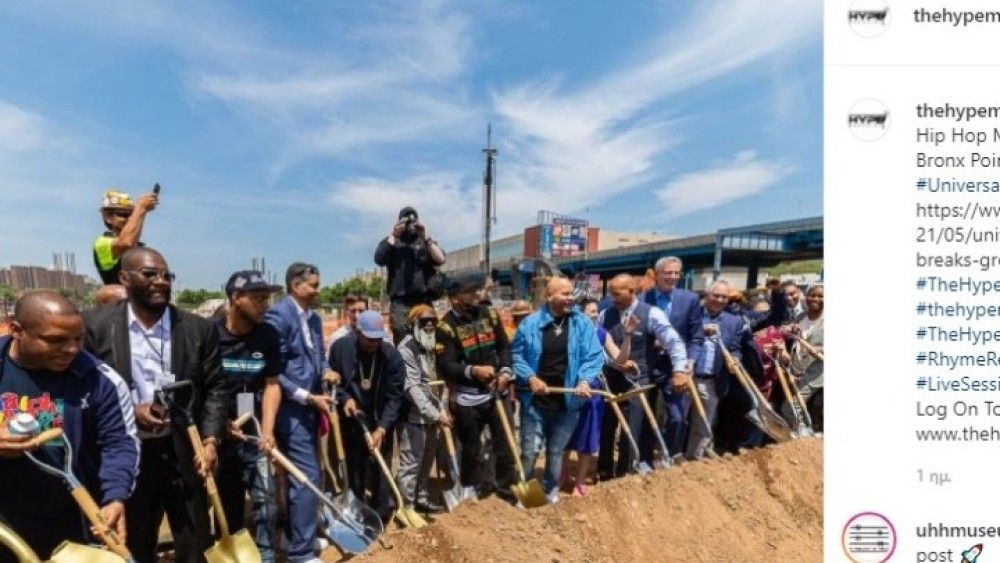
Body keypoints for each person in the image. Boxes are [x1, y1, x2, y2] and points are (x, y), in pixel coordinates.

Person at [83, 247, 226, 563]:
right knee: (136, 537)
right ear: (124, 278)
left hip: (186, 451)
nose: (161, 281)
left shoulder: (198, 329)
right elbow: (86, 390)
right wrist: (131, 411)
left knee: (196, 539)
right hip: (129, 455)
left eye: (166, 275)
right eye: (150, 274)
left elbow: (216, 388)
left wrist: (211, 440)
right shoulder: (95, 327)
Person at [0, 291, 138, 562]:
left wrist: (115, 496)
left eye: (78, 338)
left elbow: (118, 443)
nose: (72, 349)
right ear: (17, 330)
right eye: (56, 341)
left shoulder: (99, 380)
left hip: (71, 520)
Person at [512, 278, 603, 504]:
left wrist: (584, 381)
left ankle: (549, 491)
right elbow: (516, 356)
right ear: (549, 296)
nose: (570, 298)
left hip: (568, 402)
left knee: (555, 450)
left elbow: (593, 355)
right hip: (536, 401)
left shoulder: (582, 324)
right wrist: (530, 377)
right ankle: (524, 491)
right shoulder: (530, 324)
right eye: (564, 294)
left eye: (571, 294)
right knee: (530, 451)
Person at [214, 271, 282, 562]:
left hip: (254, 434)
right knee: (226, 505)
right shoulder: (210, 335)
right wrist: (218, 426)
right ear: (235, 298)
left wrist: (267, 431)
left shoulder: (267, 335)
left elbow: (272, 384)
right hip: (221, 438)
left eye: (267, 297)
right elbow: (202, 389)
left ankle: (266, 556)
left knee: (266, 502)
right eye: (257, 298)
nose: (265, 304)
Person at [264, 262, 329, 563]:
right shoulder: (280, 315)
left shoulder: (314, 319)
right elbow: (273, 368)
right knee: (305, 477)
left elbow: (319, 355)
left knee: (310, 473)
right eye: (313, 285)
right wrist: (305, 395)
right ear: (295, 285)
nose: (318, 291)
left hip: (311, 407)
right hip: (289, 408)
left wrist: (327, 372)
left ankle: (304, 533)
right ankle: (300, 553)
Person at [434, 273, 518, 503]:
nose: (477, 295)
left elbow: (503, 347)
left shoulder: (489, 314)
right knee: (472, 450)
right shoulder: (446, 327)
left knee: (506, 447)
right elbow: (446, 365)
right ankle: (473, 490)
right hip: (468, 400)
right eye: (470, 292)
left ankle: (508, 492)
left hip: (496, 395)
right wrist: (473, 371)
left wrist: (505, 371)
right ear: (454, 298)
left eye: (477, 290)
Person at [598, 274, 687, 476]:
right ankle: (603, 472)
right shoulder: (605, 315)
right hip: (610, 379)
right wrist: (614, 363)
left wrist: (679, 369)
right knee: (607, 427)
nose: (613, 298)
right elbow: (601, 346)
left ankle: (625, 473)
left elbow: (673, 342)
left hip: (638, 381)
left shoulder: (651, 314)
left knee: (632, 428)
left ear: (632, 291)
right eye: (611, 293)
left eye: (617, 293)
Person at [328, 311, 405, 522]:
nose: (374, 344)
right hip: (352, 419)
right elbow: (333, 381)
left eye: (378, 339)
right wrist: (345, 399)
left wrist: (382, 429)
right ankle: (358, 513)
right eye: (369, 339)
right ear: (358, 332)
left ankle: (380, 515)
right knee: (354, 467)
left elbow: (395, 397)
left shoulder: (392, 357)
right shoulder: (341, 348)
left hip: (381, 419)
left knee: (381, 466)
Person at [641, 256, 703, 459]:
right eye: (668, 273)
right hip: (648, 365)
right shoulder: (642, 300)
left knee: (677, 417)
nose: (673, 277)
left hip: (676, 368)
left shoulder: (690, 300)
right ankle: (645, 458)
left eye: (677, 273)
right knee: (645, 417)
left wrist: (690, 361)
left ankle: (670, 453)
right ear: (656, 274)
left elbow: (696, 336)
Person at [395, 305, 449, 513]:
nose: (429, 325)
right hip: (413, 416)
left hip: (434, 414)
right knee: (411, 463)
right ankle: (406, 506)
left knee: (427, 461)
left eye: (432, 321)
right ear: (413, 324)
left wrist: (442, 410)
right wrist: (435, 413)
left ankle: (422, 498)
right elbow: (413, 388)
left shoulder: (435, 345)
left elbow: (441, 380)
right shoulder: (407, 348)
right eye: (423, 321)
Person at [686, 280, 748, 459]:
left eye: (724, 297)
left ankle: (693, 461)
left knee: (703, 424)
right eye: (716, 295)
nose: (719, 300)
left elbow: (735, 348)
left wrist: (735, 359)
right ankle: (667, 459)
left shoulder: (734, 322)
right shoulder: (692, 315)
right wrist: (700, 331)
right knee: (676, 420)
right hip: (686, 376)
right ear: (707, 295)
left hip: (711, 381)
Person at [374, 207, 446, 343]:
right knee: (404, 340)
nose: (410, 226)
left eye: (413, 222)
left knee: (429, 340)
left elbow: (441, 259)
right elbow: (379, 259)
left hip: (424, 301)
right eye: (406, 222)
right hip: (401, 304)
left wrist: (425, 238)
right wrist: (394, 235)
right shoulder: (392, 242)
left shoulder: (424, 242)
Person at [560, 298, 610, 496]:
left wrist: (629, 337)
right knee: (563, 439)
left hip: (592, 395)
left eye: (597, 311)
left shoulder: (601, 334)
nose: (596, 314)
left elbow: (617, 357)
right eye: (591, 311)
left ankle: (580, 482)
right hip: (567, 393)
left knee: (586, 440)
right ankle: (561, 474)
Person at [779, 284, 824, 431]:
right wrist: (787, 330)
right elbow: (788, 335)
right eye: (812, 295)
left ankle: (802, 440)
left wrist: (820, 349)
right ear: (806, 296)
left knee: (789, 408)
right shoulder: (801, 316)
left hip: (815, 373)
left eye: (820, 296)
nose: (815, 299)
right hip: (796, 370)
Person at [92, 188, 158, 285]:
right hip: (119, 298)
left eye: (132, 214)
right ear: (108, 217)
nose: (131, 218)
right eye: (124, 214)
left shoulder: (139, 247)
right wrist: (140, 208)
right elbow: (125, 243)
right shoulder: (101, 243)